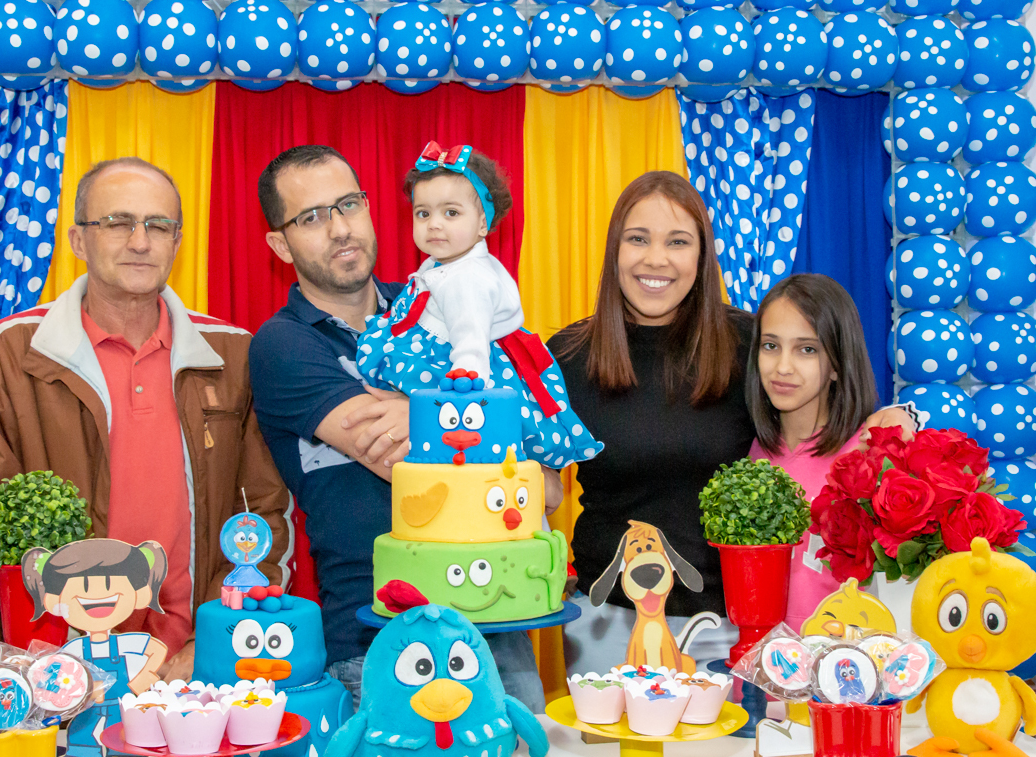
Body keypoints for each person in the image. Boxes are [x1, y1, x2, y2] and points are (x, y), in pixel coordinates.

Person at [548, 171, 916, 670]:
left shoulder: (747, 343)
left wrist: (897, 422)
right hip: (604, 623)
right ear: (615, 249)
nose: (656, 258)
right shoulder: (567, 357)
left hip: (731, 627)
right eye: (638, 239)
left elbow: (821, 411)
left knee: (729, 750)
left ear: (701, 258)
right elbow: (536, 486)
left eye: (678, 242)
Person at [0, 157, 292, 680]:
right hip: (56, 668)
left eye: (159, 226)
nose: (140, 241)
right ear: (77, 241)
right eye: (117, 223)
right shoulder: (12, 350)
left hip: (195, 666)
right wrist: (52, 656)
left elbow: (265, 513)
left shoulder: (231, 353)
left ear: (177, 242)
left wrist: (218, 640)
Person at [248, 145, 558, 711]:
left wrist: (411, 408)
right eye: (311, 217)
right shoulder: (284, 345)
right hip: (381, 639)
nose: (340, 228)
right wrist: (472, 418)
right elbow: (400, 456)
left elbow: (544, 473)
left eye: (348, 204)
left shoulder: (436, 300)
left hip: (498, 622)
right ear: (279, 242)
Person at [356, 142, 602, 468]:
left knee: (468, 438)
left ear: (483, 224)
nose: (434, 223)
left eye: (451, 213)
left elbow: (470, 336)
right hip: (445, 349)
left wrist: (465, 378)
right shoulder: (443, 264)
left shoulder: (468, 278)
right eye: (423, 213)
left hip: (467, 365)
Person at [747, 274, 879, 631]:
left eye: (807, 349)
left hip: (845, 669)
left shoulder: (866, 452)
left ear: (837, 363)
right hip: (762, 668)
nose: (783, 367)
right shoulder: (752, 453)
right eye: (770, 345)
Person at [22, 539, 169, 757]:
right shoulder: (76, 648)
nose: (98, 596)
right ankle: (82, 753)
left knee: (120, 728)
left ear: (140, 594)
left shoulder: (123, 642)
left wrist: (144, 677)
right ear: (54, 602)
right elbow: (55, 670)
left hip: (121, 704)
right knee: (81, 728)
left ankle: (121, 754)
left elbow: (157, 649)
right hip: (86, 705)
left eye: (110, 586)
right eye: (85, 589)